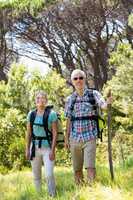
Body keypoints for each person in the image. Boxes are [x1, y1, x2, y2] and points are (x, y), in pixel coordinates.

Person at [64, 69, 112, 184]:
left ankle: (91, 191)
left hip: (90, 136)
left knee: (90, 166)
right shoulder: (70, 99)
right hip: (74, 137)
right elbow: (68, 120)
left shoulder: (93, 94)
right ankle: (81, 192)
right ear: (72, 81)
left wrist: (107, 103)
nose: (78, 80)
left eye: (81, 78)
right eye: (76, 78)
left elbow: (103, 105)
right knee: (77, 169)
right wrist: (66, 138)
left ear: (85, 79)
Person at [25, 90, 57, 197]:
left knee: (49, 174)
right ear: (35, 101)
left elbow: (55, 133)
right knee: (36, 175)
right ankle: (38, 196)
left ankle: (52, 195)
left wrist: (53, 150)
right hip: (34, 148)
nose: (40, 100)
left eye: (43, 98)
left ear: (46, 101)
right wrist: (27, 149)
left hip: (47, 148)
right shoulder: (31, 114)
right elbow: (28, 133)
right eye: (38, 98)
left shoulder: (52, 114)